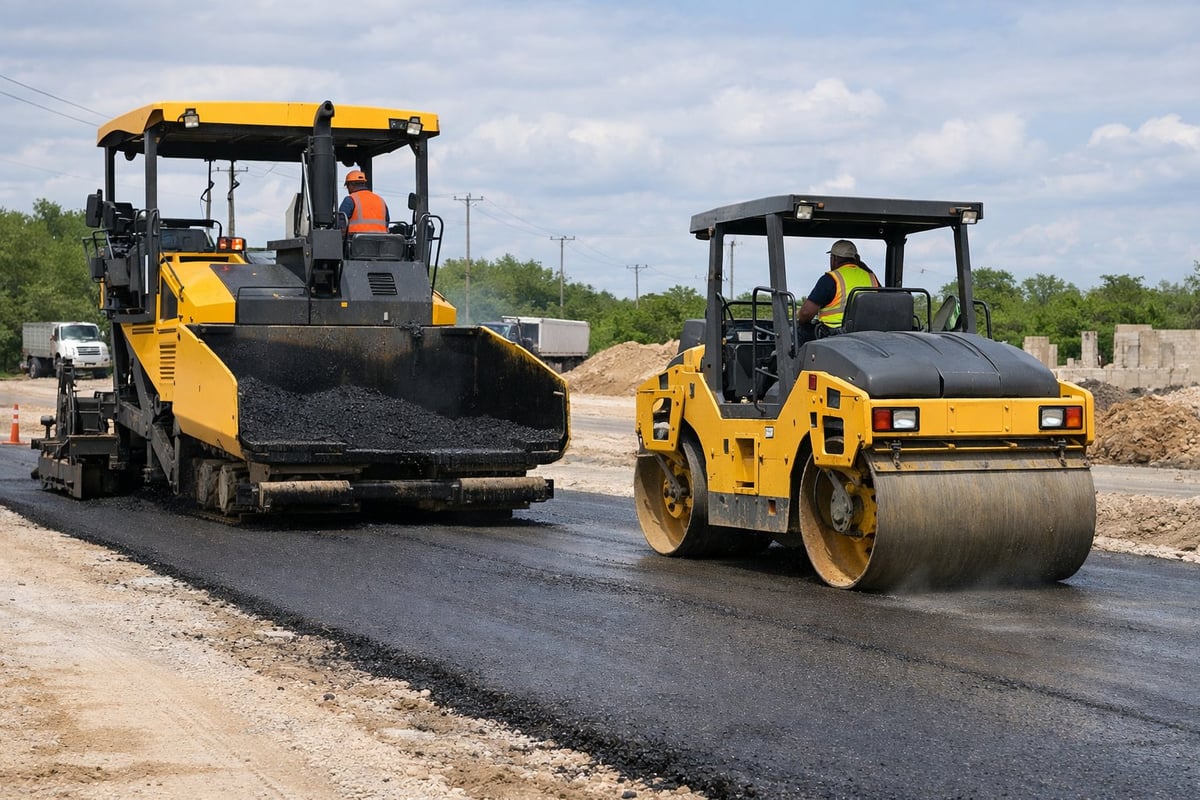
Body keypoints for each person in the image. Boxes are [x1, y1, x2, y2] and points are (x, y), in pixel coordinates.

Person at [796, 239, 880, 343]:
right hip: (866, 333)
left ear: (833, 259)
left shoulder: (831, 279)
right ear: (856, 259)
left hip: (834, 335)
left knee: (798, 331)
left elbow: (805, 313)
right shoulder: (871, 277)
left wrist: (802, 323)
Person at [339, 169, 390, 234]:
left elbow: (340, 223)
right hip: (381, 241)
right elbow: (386, 222)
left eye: (347, 186)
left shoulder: (350, 199)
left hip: (356, 241)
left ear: (351, 184)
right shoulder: (380, 200)